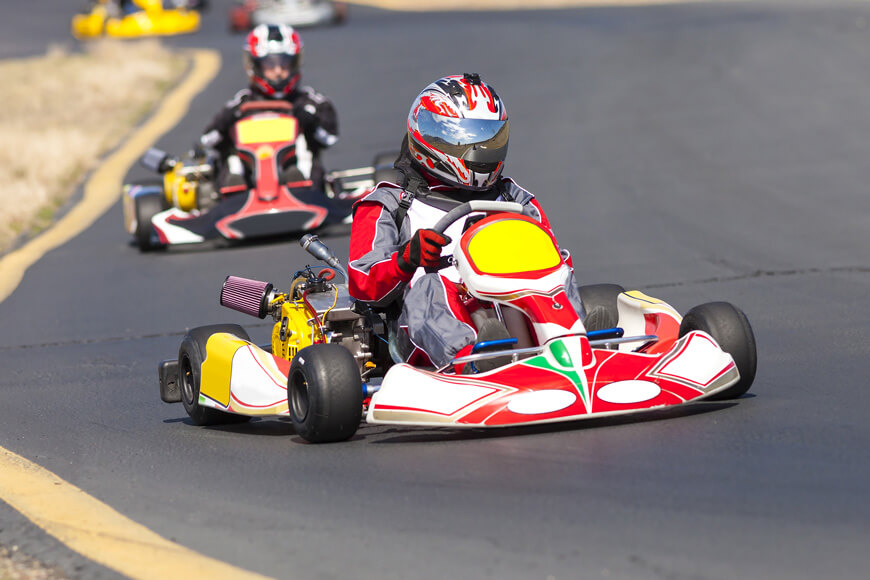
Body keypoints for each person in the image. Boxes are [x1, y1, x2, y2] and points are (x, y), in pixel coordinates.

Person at [348, 73, 585, 372]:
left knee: (557, 270)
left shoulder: (515, 199)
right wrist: (406, 261)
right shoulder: (390, 204)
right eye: (466, 139)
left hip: (513, 306)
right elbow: (362, 284)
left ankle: (576, 345)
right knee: (429, 287)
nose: (480, 150)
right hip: (427, 328)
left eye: (488, 138)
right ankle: (474, 362)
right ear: (430, 138)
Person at [199, 23, 339, 194]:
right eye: (270, 65)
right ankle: (235, 193)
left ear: (295, 64)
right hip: (250, 180)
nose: (278, 71)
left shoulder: (310, 102)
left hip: (298, 172)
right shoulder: (241, 104)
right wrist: (226, 123)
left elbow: (329, 138)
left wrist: (308, 122)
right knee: (231, 155)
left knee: (304, 151)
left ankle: (303, 189)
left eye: (285, 64)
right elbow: (208, 139)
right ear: (255, 66)